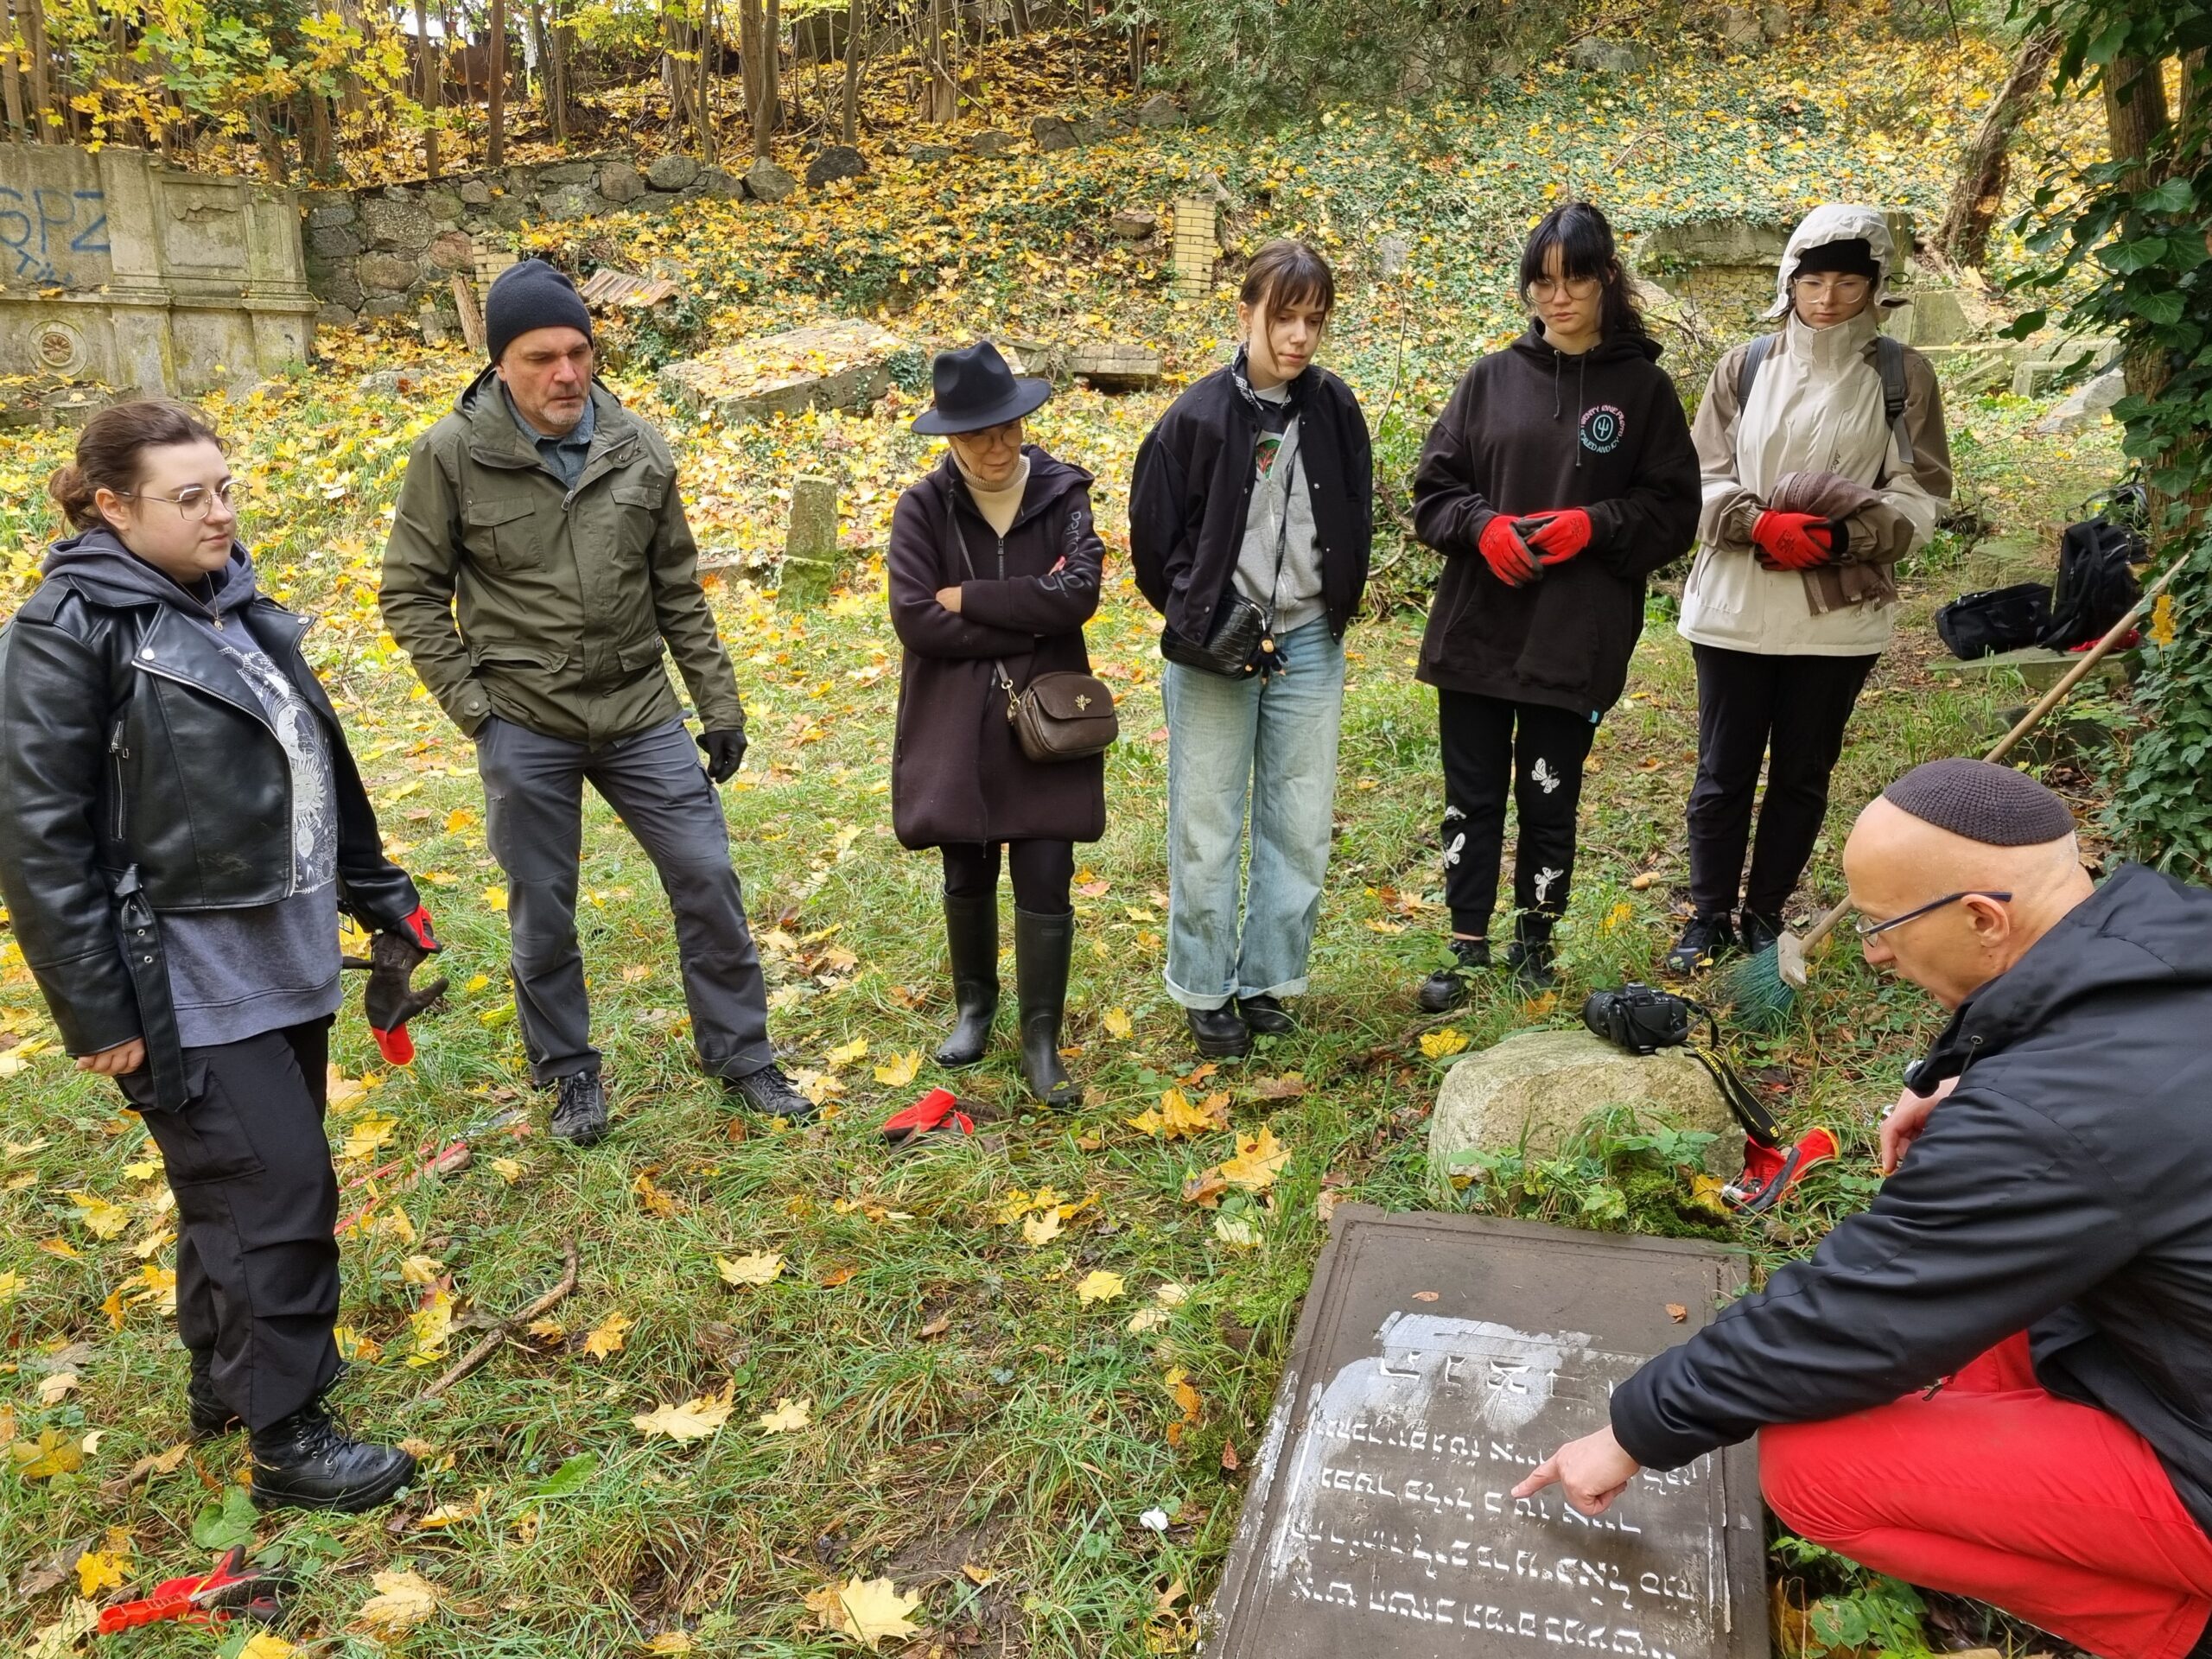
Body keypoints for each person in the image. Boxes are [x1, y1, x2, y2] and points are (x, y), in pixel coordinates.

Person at [1517, 759, 2212, 1659]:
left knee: (1813, 1472)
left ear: (1982, 917)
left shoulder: (2058, 1116)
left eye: (1884, 926)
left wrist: (1631, 1430)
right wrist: (1975, 1076)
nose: (1874, 951)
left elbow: (1857, 1309)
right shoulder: (2168, 935)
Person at [0, 400, 434, 1512]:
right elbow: (37, 835)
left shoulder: (228, 601)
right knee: (277, 1191)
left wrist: (378, 896)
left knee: (232, 1193)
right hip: (183, 976)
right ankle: (288, 1437)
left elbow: (315, 766)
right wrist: (97, 1013)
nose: (219, 512)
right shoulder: (68, 632)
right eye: (188, 496)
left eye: (224, 488)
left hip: (276, 950)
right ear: (112, 506)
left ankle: (224, 1382)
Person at [381, 257, 809, 1142]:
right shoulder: (451, 455)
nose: (566, 373)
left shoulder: (637, 445)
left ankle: (741, 1055)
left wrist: (716, 704)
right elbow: (410, 593)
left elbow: (678, 588)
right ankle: (569, 1071)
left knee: (707, 877)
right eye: (541, 357)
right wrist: (477, 712)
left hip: (638, 710)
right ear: (501, 362)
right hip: (525, 719)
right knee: (544, 909)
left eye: (579, 351)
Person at [1410, 201, 1700, 1009]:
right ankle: (1467, 946)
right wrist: (1482, 525)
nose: (1557, 297)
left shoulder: (1643, 391)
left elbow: (1676, 509)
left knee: (1547, 792)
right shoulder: (1489, 380)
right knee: (1469, 795)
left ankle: (1535, 944)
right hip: (1477, 628)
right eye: (1542, 281)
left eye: (1573, 278)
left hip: (1573, 639)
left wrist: (1596, 523)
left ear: (1607, 277)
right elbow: (1433, 492)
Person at [1666, 203, 1954, 975]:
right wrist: (1752, 524)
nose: (1827, 300)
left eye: (1848, 284)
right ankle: (1708, 917)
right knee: (1723, 772)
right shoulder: (1745, 366)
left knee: (1801, 772)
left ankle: (1764, 915)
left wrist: (1841, 537)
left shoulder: (1901, 375)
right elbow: (1695, 476)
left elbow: (1921, 492)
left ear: (1876, 287)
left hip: (1838, 615)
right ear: (1789, 281)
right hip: (1735, 603)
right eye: (1814, 280)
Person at [1130, 238, 1372, 1059]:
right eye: (1284, 316)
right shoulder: (1193, 418)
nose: (1299, 336)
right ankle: (1205, 988)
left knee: (1299, 819)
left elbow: (1354, 513)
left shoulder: (1336, 410)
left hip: (1307, 638)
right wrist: (1207, 618)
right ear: (1246, 314)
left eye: (1315, 320)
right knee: (1207, 820)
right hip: (1214, 650)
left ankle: (1270, 979)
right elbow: (1151, 543)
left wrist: (1336, 600)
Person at [886, 342, 1105, 1108]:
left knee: (1047, 871)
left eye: (1008, 426)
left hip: (1049, 723)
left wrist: (969, 598)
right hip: (956, 724)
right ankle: (975, 1007)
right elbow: (915, 620)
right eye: (977, 434)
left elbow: (1077, 596)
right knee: (966, 867)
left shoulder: (1063, 493)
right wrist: (1025, 614)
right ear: (949, 437)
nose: (997, 446)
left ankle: (1040, 1035)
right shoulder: (921, 508)